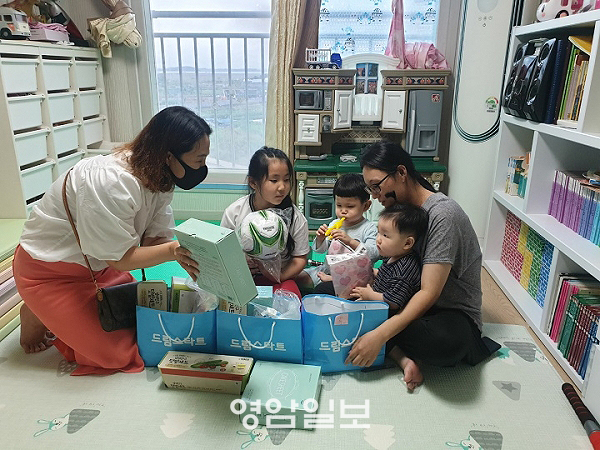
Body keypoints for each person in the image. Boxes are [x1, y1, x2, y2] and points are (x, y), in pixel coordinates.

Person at [13, 106, 207, 375]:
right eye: (199, 160)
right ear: (168, 155)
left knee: (145, 326)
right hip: (50, 272)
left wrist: (186, 255)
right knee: (118, 353)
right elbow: (121, 259)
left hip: (99, 267)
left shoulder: (160, 176)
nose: (202, 168)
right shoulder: (111, 182)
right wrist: (174, 250)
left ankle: (51, 311)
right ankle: (37, 307)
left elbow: (154, 241)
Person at [345, 141, 500, 391]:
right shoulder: (403, 211)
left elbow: (429, 293)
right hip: (406, 298)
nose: (374, 196)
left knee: (443, 344)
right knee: (343, 291)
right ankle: (399, 352)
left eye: (376, 186)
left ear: (401, 173)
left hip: (449, 313)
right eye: (370, 188)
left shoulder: (442, 215)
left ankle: (382, 338)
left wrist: (380, 335)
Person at [221, 146, 309, 298]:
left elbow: (300, 258)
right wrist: (238, 267)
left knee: (291, 302)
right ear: (253, 183)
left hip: (279, 279)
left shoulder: (295, 217)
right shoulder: (235, 212)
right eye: (274, 180)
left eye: (286, 180)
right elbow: (222, 251)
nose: (282, 187)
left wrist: (280, 276)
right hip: (241, 277)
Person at [296, 173, 378, 295]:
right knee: (296, 277)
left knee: (331, 289)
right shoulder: (334, 223)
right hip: (326, 271)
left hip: (354, 277)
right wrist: (320, 239)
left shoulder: (368, 228)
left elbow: (374, 254)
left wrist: (350, 242)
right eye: (339, 205)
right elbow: (320, 251)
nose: (343, 211)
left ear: (366, 206)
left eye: (350, 206)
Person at [351, 203, 427, 313]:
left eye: (385, 235)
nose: (378, 239)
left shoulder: (404, 270)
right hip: (376, 301)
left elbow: (393, 302)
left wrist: (370, 295)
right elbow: (388, 276)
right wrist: (373, 272)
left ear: (407, 243)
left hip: (387, 313)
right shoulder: (392, 255)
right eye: (379, 232)